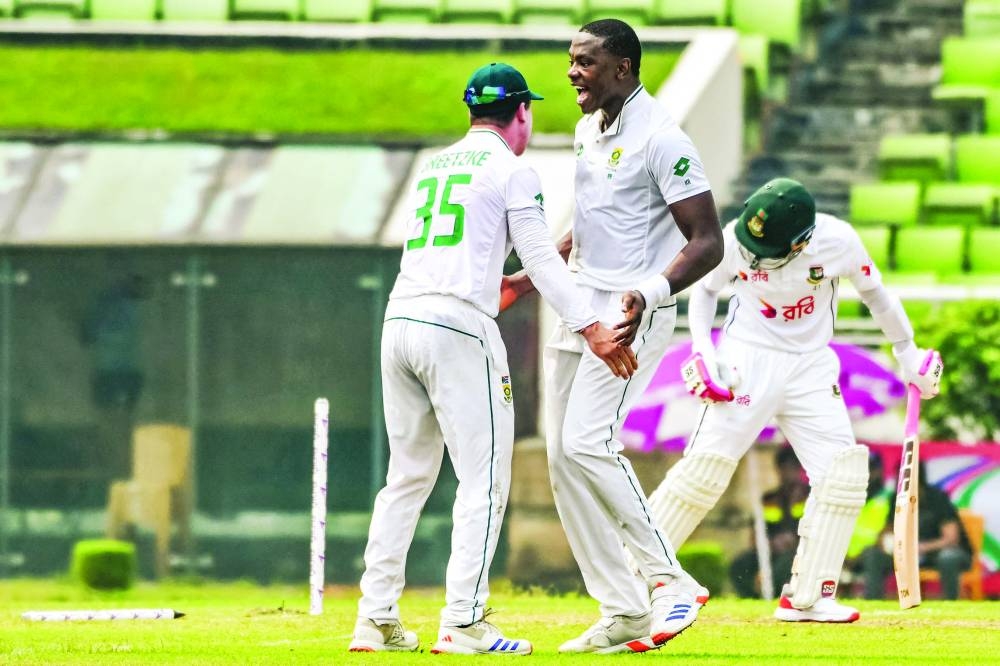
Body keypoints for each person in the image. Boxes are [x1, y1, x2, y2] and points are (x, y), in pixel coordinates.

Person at [349, 62, 638, 655]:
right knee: (483, 479)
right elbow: (541, 255)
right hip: (459, 327)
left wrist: (504, 282)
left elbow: (465, 248)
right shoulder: (513, 169)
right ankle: (464, 621)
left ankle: (374, 617)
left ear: (472, 111)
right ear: (522, 113)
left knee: (404, 478)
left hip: (401, 317)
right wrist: (593, 328)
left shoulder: (435, 163)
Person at [502, 18, 725, 653]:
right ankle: (623, 610)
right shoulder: (585, 128)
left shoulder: (663, 138)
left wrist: (648, 293)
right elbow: (591, 224)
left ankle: (669, 580)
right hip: (578, 301)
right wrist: (526, 278)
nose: (572, 72)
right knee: (559, 456)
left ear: (623, 67)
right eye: (571, 60)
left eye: (586, 63)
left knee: (587, 442)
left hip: (633, 312)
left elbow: (707, 241)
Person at [645, 177, 944, 622]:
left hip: (810, 365)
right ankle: (638, 576)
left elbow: (875, 295)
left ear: (802, 241)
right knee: (704, 469)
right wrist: (703, 352)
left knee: (843, 474)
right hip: (748, 360)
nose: (752, 254)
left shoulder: (838, 241)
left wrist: (907, 352)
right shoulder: (735, 239)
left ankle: (808, 596)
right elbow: (706, 292)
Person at [864, 462, 972, 600]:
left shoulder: (937, 498)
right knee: (873, 554)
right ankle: (873, 602)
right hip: (907, 553)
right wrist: (888, 543)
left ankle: (951, 602)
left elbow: (951, 538)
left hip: (939, 552)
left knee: (948, 557)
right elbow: (888, 530)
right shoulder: (896, 499)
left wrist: (922, 547)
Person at [81, 271, 150, 481]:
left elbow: (88, 335)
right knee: (117, 421)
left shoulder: (110, 307)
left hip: (115, 371)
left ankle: (117, 466)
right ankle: (118, 466)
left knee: (112, 422)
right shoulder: (118, 308)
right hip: (117, 372)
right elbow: (89, 335)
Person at [729, 446, 808, 598]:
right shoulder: (769, 499)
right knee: (740, 564)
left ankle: (776, 595)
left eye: (792, 468)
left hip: (799, 552)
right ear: (778, 469)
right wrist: (772, 544)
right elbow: (756, 534)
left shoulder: (810, 497)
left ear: (800, 469)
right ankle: (752, 597)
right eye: (784, 468)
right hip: (771, 551)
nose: (788, 473)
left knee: (786, 562)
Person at [843, 451, 895, 599]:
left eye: (870, 469)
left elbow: (890, 531)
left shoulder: (889, 497)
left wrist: (857, 557)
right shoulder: (849, 497)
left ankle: (873, 600)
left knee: (872, 556)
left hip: (880, 554)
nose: (866, 474)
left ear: (879, 471)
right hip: (846, 555)